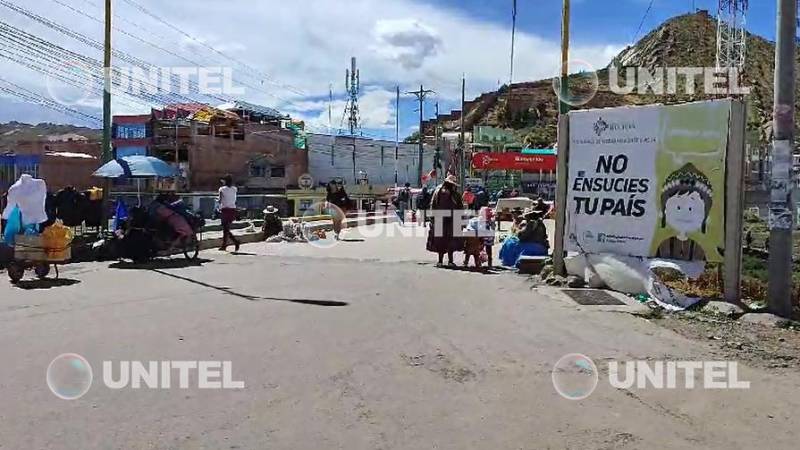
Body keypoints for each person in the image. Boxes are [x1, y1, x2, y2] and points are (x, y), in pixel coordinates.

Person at [427, 174, 464, 267]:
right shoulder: (454, 194)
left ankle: (440, 261)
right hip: (450, 220)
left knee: (441, 241)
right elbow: (460, 208)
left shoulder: (438, 192)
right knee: (450, 241)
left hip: (440, 219)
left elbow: (432, 205)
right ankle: (450, 261)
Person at [217, 174, 241, 252]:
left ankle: (235, 242)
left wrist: (217, 200)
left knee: (225, 228)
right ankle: (225, 245)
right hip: (233, 209)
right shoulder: (234, 189)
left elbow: (220, 200)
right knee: (226, 228)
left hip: (225, 209)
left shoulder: (222, 189)